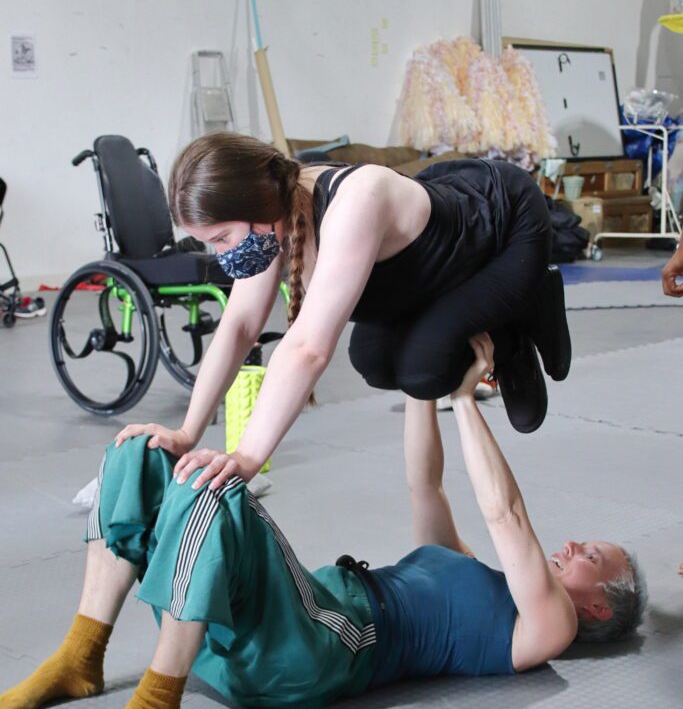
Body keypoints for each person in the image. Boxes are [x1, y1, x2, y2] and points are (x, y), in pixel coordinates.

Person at [0, 336, 645, 709]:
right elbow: (426, 483)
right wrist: (422, 378)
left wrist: (463, 400)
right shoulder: (472, 569)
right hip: (266, 627)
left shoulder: (546, 629)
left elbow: (508, 514)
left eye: (590, 554)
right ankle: (80, 657)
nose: (569, 545)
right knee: (140, 452)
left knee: (218, 492)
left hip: (320, 648)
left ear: (595, 607)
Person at [114, 133, 572, 494]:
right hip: (426, 274)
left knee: (426, 371)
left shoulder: (354, 201)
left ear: (253, 206)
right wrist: (188, 432)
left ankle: (517, 320)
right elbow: (238, 327)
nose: (222, 254)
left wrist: (248, 457)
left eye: (221, 238)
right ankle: (475, 314)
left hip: (505, 227)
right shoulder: (270, 220)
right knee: (373, 361)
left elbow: (309, 349)